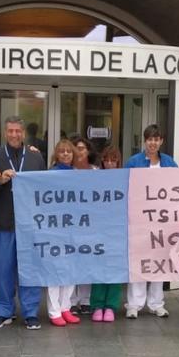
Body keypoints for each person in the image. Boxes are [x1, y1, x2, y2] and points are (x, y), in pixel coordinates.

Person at [0, 116, 47, 329]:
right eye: (10, 131)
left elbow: (44, 189)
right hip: (3, 221)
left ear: (23, 133)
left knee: (29, 269)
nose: (14, 135)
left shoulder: (35, 157)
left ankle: (30, 313)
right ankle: (4, 311)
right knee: (2, 270)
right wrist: (0, 181)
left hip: (29, 223)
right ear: (5, 132)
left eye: (17, 131)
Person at [125, 124, 177, 318]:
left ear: (161, 141)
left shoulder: (169, 163)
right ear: (144, 141)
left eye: (156, 139)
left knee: (159, 261)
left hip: (162, 220)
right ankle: (134, 304)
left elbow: (178, 187)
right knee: (139, 260)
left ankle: (156, 303)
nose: (153, 143)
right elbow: (125, 186)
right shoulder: (133, 162)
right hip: (139, 219)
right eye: (150, 139)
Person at [44, 139, 82, 327]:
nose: (66, 154)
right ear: (56, 154)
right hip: (55, 229)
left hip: (73, 228)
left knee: (71, 269)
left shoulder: (77, 174)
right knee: (55, 270)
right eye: (62, 151)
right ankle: (54, 310)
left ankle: (66, 307)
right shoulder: (50, 174)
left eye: (69, 151)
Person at [89, 146, 126, 322]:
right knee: (98, 268)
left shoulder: (125, 178)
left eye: (113, 160)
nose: (110, 163)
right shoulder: (95, 178)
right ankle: (97, 305)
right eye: (107, 160)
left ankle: (110, 306)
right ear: (102, 161)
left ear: (118, 162)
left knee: (115, 269)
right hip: (98, 229)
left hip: (118, 230)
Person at [69, 135, 97, 315]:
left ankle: (85, 299)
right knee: (72, 261)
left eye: (82, 148)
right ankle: (71, 300)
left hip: (90, 223)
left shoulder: (95, 171)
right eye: (76, 148)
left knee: (87, 261)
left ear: (88, 151)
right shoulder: (65, 170)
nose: (79, 151)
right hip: (69, 222)